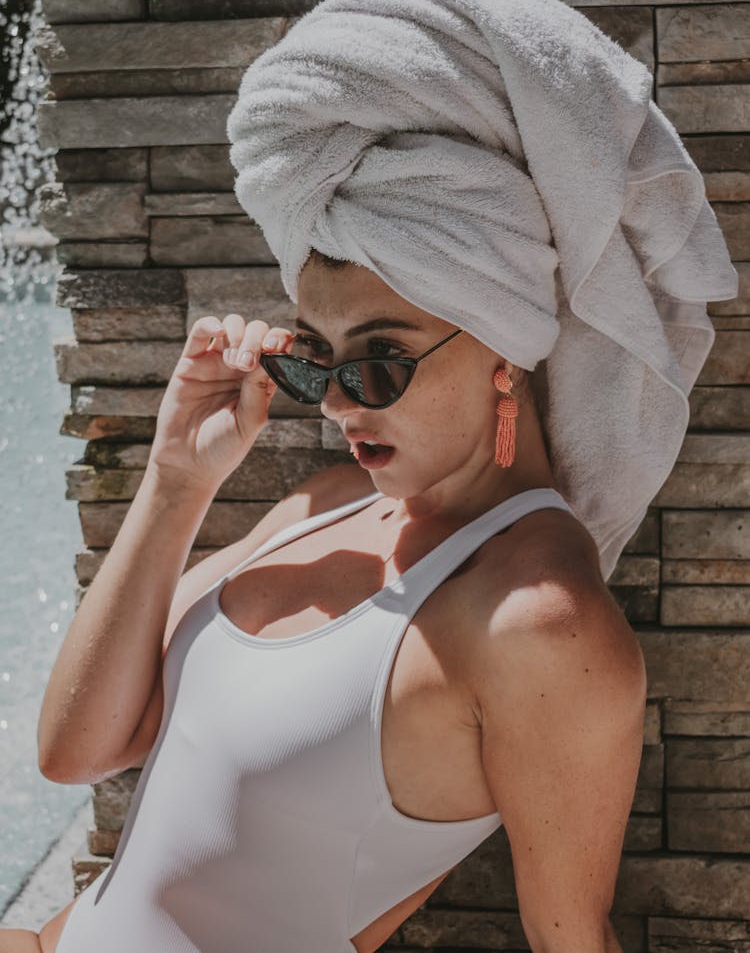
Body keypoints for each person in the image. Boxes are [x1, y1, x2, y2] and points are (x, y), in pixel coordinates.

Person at [2, 250, 646, 953]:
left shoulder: (539, 621)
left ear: (508, 343)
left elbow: (573, 938)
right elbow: (75, 749)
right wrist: (176, 476)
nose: (337, 403)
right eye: (314, 354)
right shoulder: (326, 504)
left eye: (382, 356)